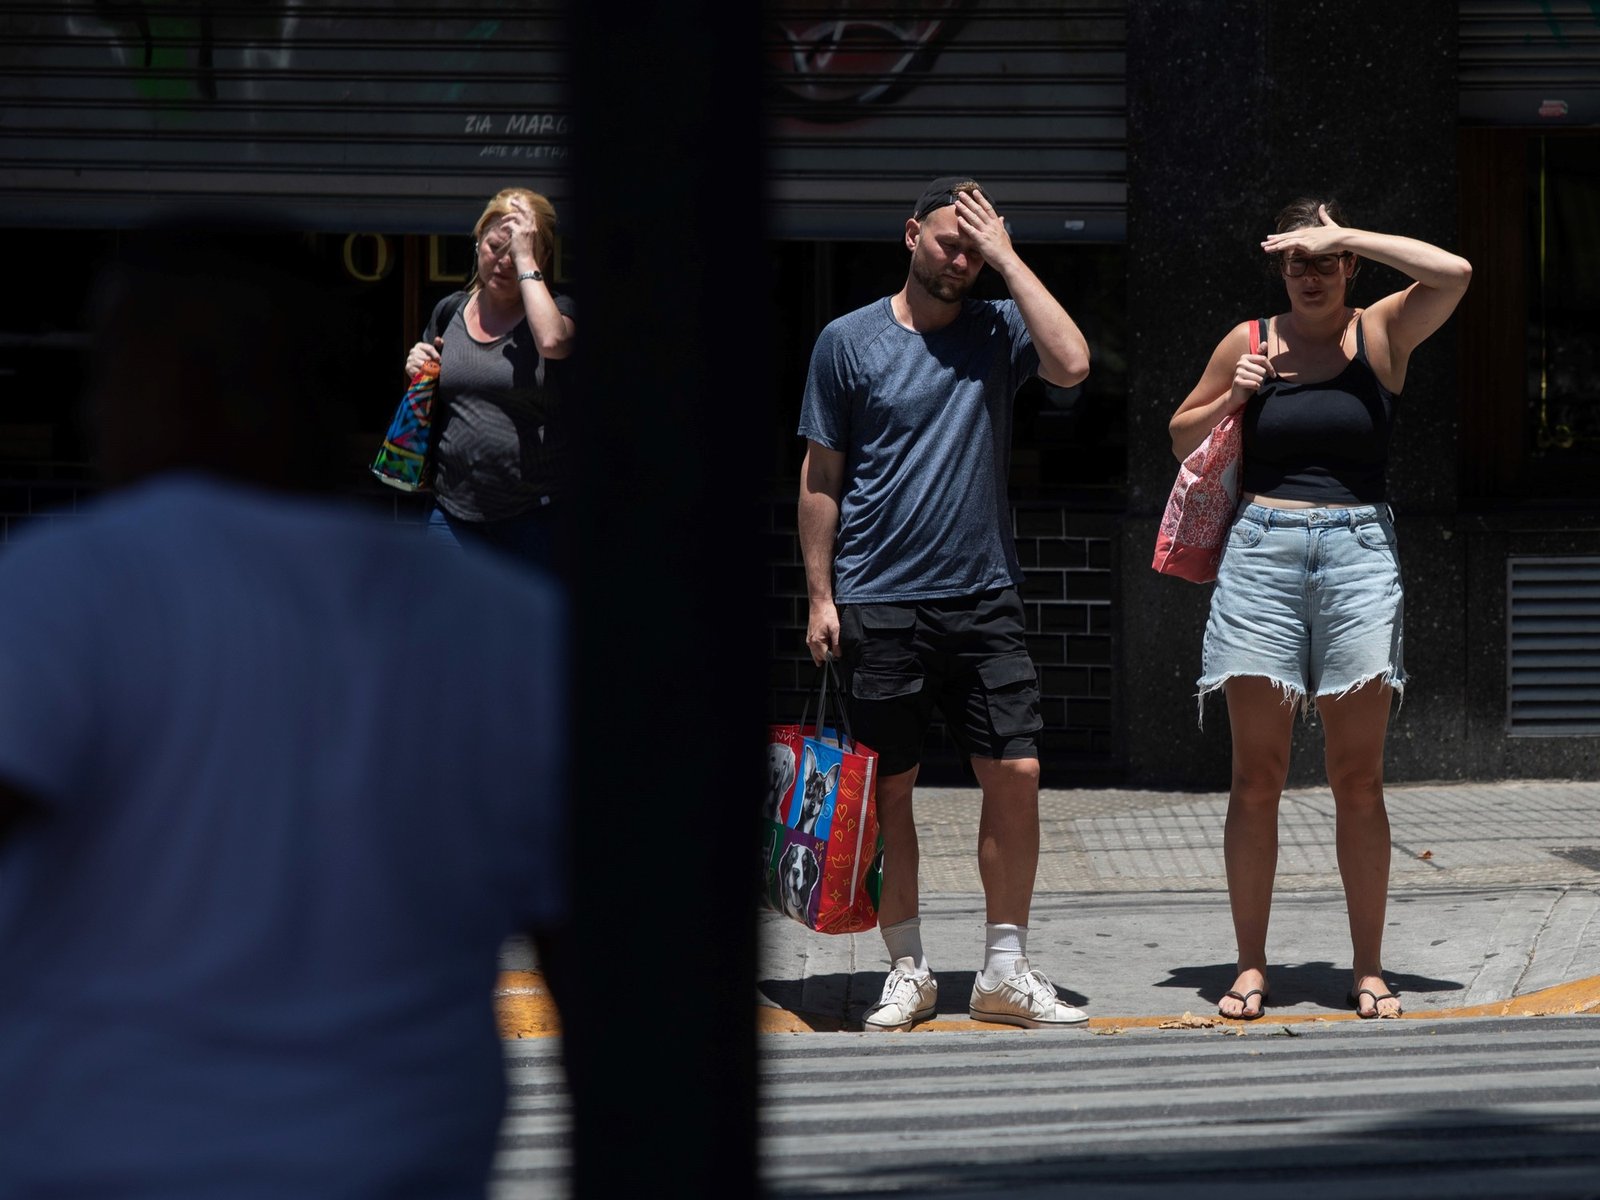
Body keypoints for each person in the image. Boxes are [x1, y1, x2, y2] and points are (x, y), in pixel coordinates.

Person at [0, 221, 568, 1196]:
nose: (92, 410)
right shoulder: (504, 626)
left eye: (108, 371)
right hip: (394, 1160)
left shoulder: (69, 584)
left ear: (170, 381)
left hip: (103, 1158)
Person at [798, 176, 1092, 1031]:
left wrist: (1008, 255)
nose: (960, 257)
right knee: (890, 791)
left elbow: (1074, 364)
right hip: (878, 600)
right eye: (947, 240)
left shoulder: (999, 330)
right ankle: (909, 966)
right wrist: (821, 596)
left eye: (974, 246)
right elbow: (821, 475)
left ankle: (1004, 969)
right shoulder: (845, 342)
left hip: (983, 595)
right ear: (909, 237)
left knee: (1019, 772)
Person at [1168, 198, 1471, 1021]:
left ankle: (1369, 968)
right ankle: (1250, 967)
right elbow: (1177, 434)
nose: (1309, 273)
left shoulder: (1381, 332)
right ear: (1280, 269)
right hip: (1261, 554)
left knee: (1357, 778)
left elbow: (1456, 273)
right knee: (1255, 776)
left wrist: (1348, 232)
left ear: (1348, 265)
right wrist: (1232, 395)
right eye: (1295, 259)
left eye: (1324, 258)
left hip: (1357, 560)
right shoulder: (1251, 339)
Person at [405, 187, 577, 571]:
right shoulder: (449, 311)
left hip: (533, 517)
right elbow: (428, 402)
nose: (502, 261)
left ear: (541, 256)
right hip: (451, 512)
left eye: (514, 252)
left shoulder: (560, 312)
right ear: (478, 240)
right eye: (494, 246)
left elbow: (552, 342)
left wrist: (525, 256)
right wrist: (417, 368)